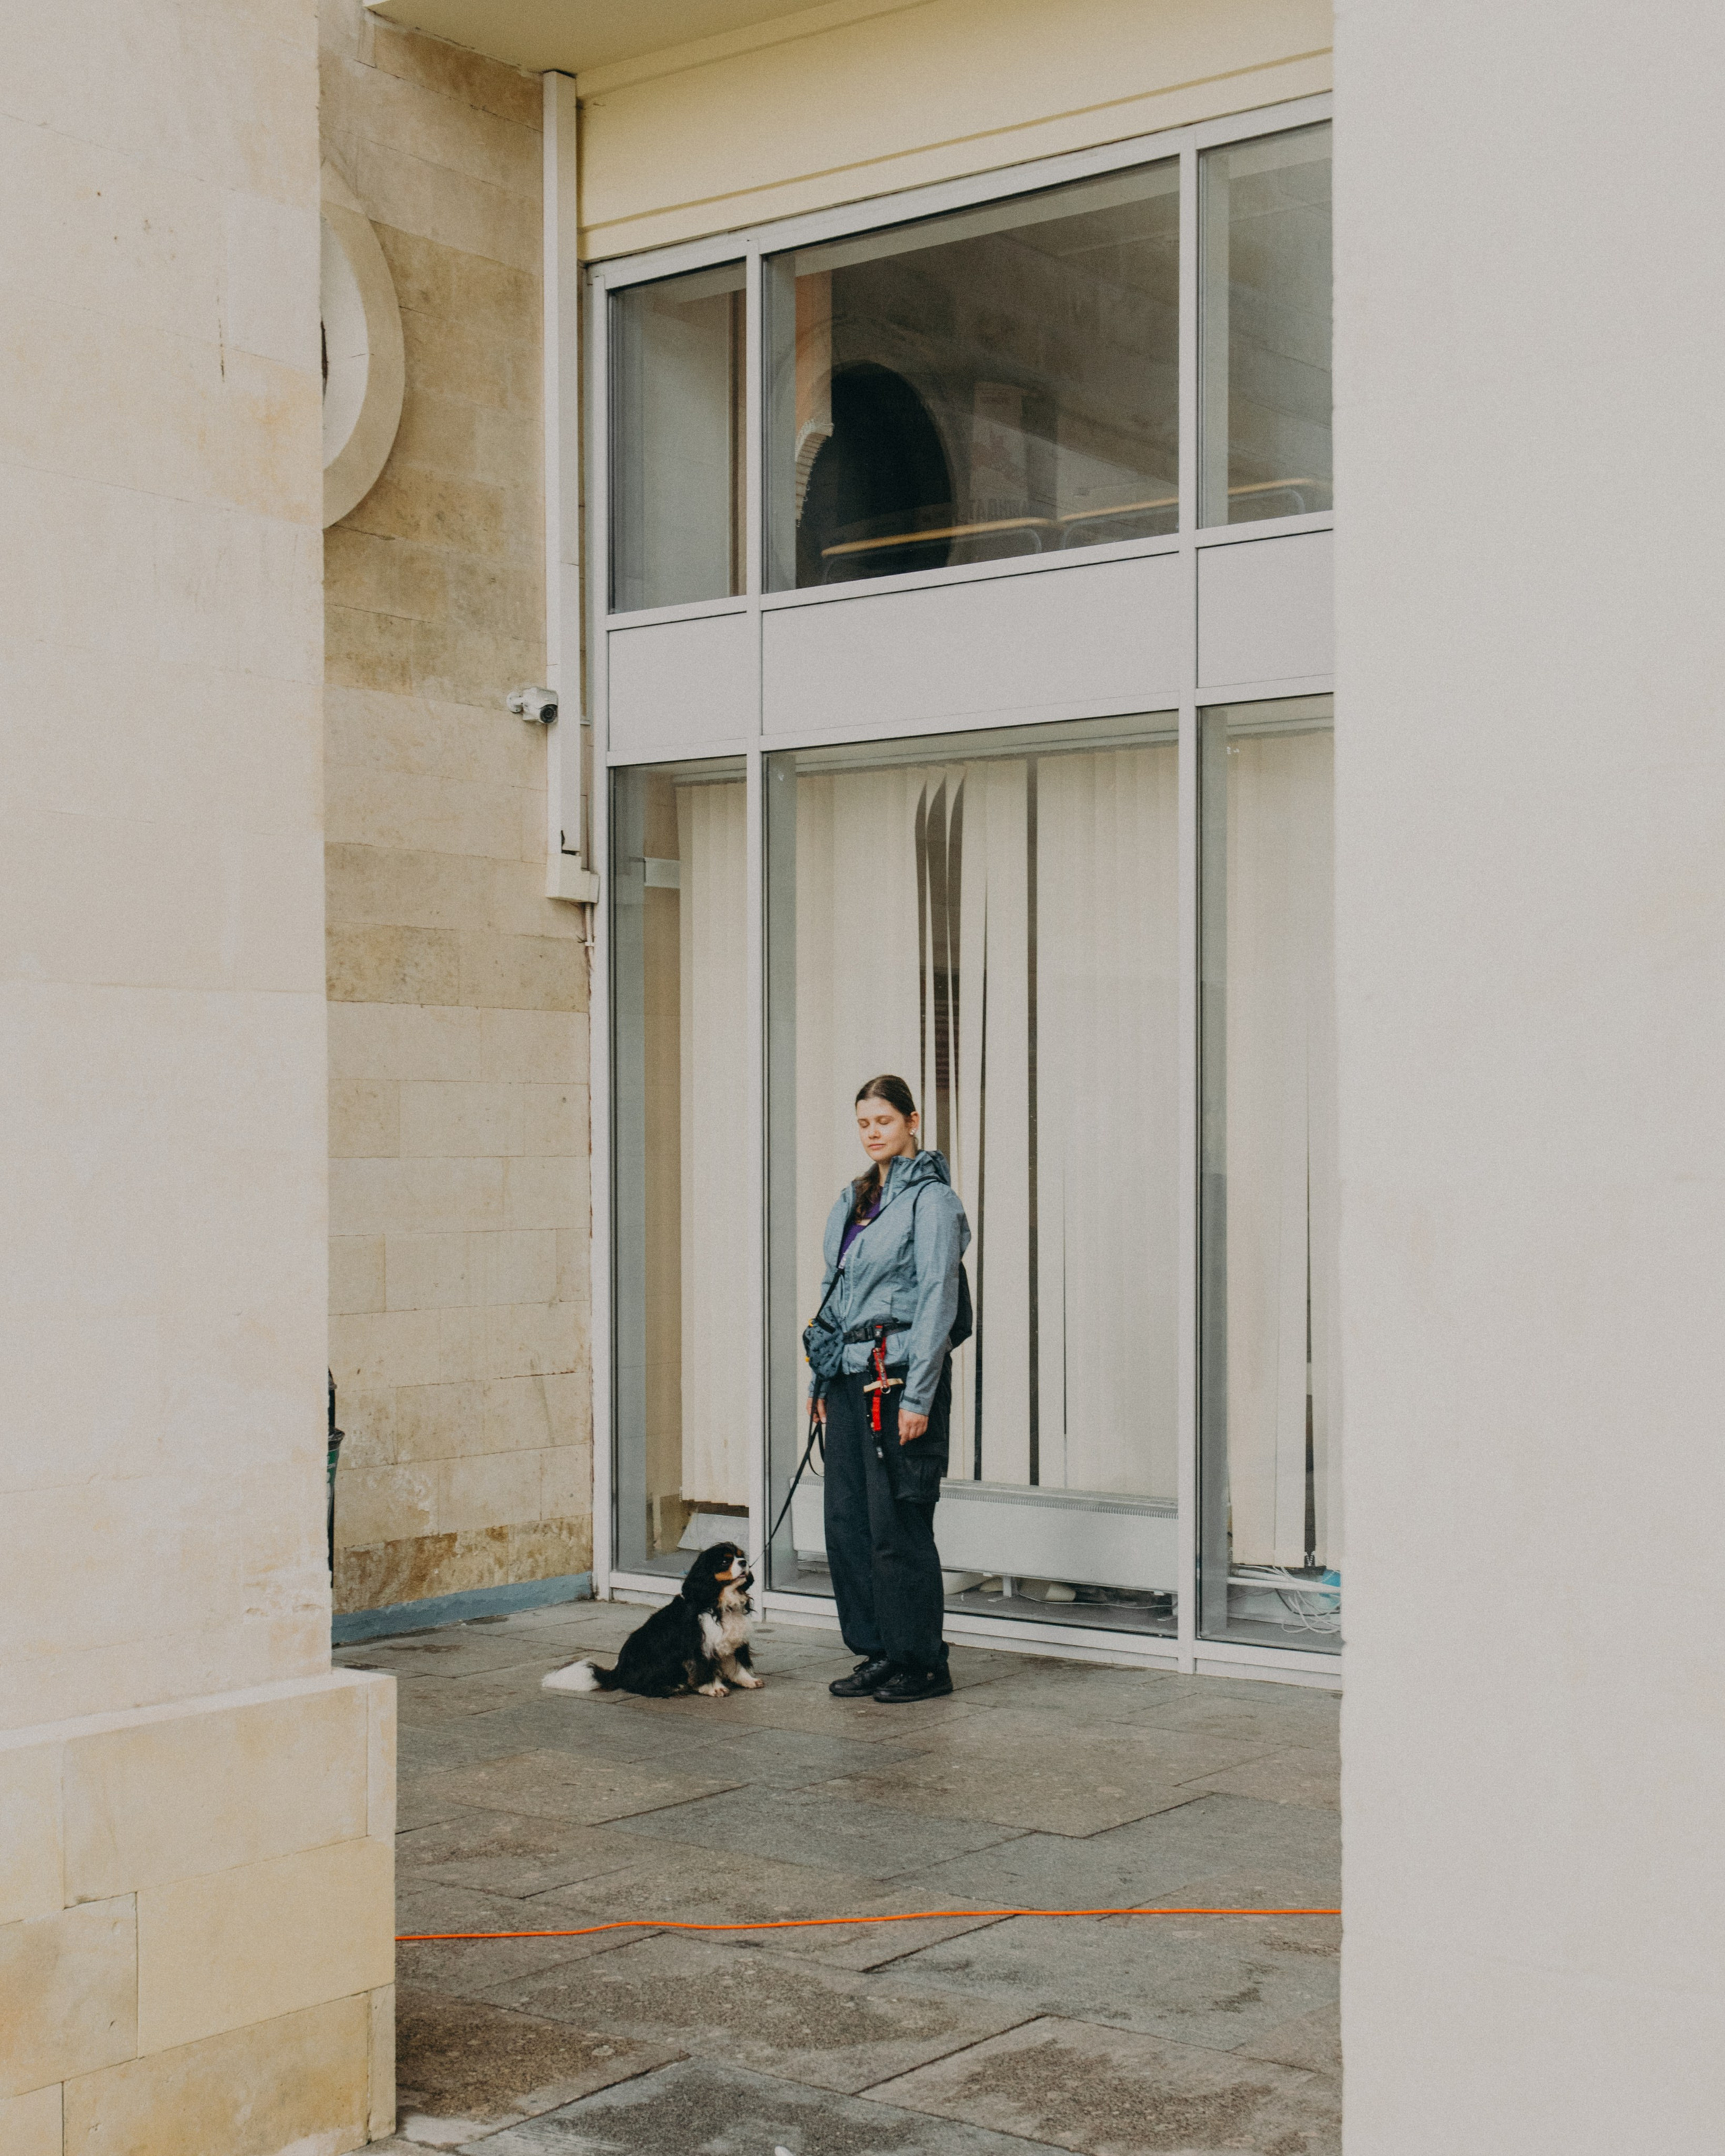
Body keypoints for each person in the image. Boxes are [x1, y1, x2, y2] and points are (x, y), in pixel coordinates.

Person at [811, 1074, 970, 1703]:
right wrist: (822, 1375)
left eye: (883, 1120)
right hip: (849, 1377)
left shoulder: (932, 1202)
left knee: (897, 1527)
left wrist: (918, 1398)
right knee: (847, 1524)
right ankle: (877, 1651)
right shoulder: (853, 1201)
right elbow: (834, 1292)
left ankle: (923, 1662)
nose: (872, 1133)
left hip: (899, 1375)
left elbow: (937, 1299)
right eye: (863, 1123)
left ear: (912, 1121)